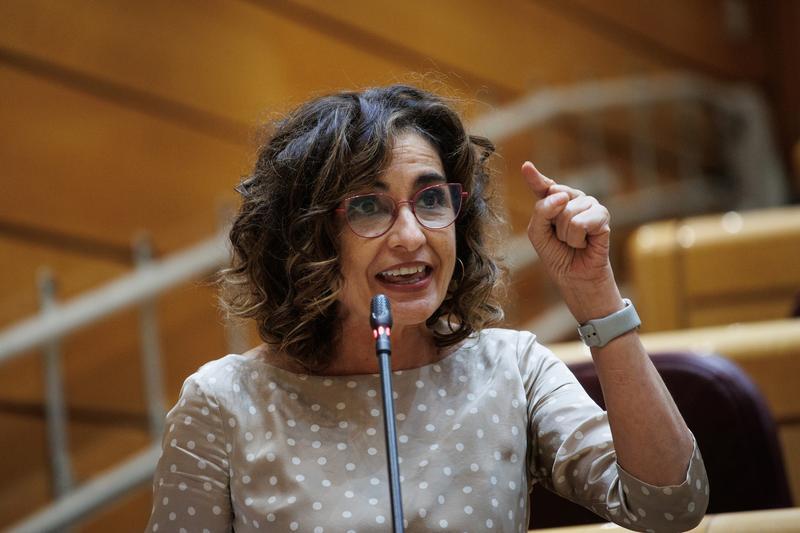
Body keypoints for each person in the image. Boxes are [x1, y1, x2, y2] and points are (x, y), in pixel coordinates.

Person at [146, 85, 708, 532]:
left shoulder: (512, 369)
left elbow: (669, 505)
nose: (412, 236)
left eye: (431, 199)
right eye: (369, 207)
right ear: (305, 239)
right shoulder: (222, 403)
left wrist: (595, 294)